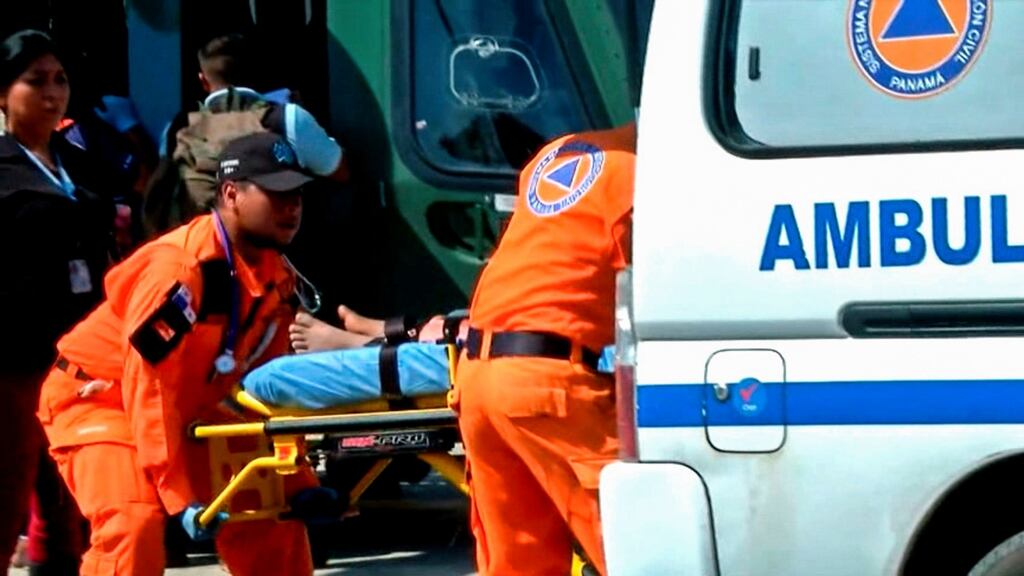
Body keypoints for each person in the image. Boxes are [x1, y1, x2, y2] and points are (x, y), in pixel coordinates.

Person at [36, 132, 339, 575]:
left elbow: (270, 391)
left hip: (187, 408)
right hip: (101, 399)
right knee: (133, 524)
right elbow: (148, 384)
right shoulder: (179, 272)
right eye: (276, 193)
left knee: (272, 514)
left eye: (296, 194)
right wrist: (176, 494)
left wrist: (297, 481)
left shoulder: (273, 274)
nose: (291, 206)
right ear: (231, 194)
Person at [453, 122, 636, 575]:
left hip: (476, 379)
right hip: (547, 385)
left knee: (520, 564)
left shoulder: (557, 154)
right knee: (633, 547)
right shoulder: (643, 171)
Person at [0, 29, 118, 575]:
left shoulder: (78, 157)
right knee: (6, 495)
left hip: (79, 353)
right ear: (3, 93)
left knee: (68, 495)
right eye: (36, 81)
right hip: (13, 355)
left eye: (61, 80)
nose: (53, 94)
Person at [144, 33, 348, 236]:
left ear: (203, 81)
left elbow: (160, 192)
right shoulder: (288, 118)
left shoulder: (178, 126)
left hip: (202, 254)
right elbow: (341, 172)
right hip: (272, 258)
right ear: (258, 73)